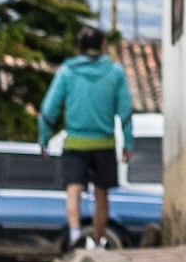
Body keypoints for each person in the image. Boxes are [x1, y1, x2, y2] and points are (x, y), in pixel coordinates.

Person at [37, 29, 137, 250]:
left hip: (75, 142)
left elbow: (48, 109)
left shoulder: (67, 72)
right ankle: (98, 239)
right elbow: (126, 111)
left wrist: (44, 139)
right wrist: (128, 144)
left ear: (79, 46)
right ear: (103, 45)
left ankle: (74, 231)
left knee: (73, 189)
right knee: (102, 194)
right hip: (104, 143)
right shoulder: (115, 72)